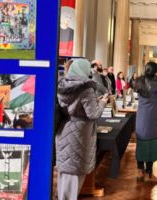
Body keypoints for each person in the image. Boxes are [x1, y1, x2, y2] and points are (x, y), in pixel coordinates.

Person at [55, 59, 108, 200]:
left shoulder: (63, 85)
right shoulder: (86, 88)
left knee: (65, 173)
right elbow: (93, 114)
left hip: (64, 130)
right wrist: (102, 102)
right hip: (80, 134)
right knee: (75, 175)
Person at [135, 62, 157, 183]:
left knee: (141, 143)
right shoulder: (156, 84)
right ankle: (149, 174)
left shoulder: (139, 81)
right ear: (155, 71)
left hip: (142, 117)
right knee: (152, 145)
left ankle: (140, 171)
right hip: (154, 117)